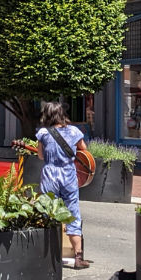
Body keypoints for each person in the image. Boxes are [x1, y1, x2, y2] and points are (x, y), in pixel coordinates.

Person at [36, 101, 89, 269]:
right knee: (73, 212)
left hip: (50, 175)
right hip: (68, 174)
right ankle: (78, 257)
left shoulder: (43, 133)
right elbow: (84, 150)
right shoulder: (74, 131)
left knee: (48, 211)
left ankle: (45, 254)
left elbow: (40, 156)